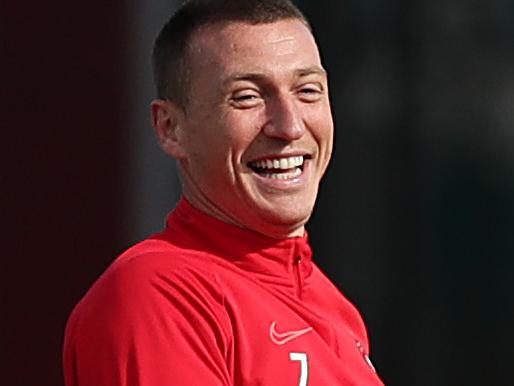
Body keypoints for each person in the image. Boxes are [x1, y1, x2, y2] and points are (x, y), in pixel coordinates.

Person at [63, 0, 384, 385]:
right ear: (170, 128)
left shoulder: (336, 309)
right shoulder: (161, 293)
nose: (289, 126)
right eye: (247, 96)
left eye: (308, 91)